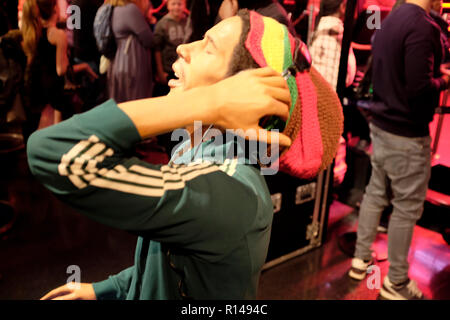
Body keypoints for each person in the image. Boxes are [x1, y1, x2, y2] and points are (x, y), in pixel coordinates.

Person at [28, 10, 342, 300]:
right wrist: (104, 290)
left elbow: (53, 152)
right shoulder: (191, 150)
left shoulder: (230, 192)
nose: (183, 48)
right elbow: (161, 266)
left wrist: (209, 102)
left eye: (209, 47)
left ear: (239, 91)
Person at [348, 0, 450, 300]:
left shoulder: (390, 18)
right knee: (406, 208)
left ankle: (360, 259)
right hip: (405, 133)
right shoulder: (422, 25)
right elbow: (418, 90)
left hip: (382, 125)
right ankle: (396, 282)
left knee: (376, 193)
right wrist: (445, 79)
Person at [20, 0, 97, 142]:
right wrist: (84, 67)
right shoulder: (58, 34)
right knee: (56, 134)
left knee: (43, 133)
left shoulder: (34, 30)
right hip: (54, 89)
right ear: (55, 8)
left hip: (38, 86)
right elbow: (61, 70)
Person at [107, 0, 154, 103]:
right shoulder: (130, 9)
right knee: (137, 104)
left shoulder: (114, 9)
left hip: (118, 61)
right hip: (132, 62)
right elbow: (149, 39)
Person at [308, 0, 356, 91]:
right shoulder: (339, 32)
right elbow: (349, 77)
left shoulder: (316, 29)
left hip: (311, 90)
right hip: (331, 95)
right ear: (342, 7)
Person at [154, 0, 191, 93]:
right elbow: (157, 49)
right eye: (173, 4)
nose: (176, 7)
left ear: (184, 5)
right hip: (169, 69)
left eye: (179, 4)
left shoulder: (188, 22)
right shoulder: (162, 24)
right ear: (167, 6)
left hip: (185, 68)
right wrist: (160, 71)